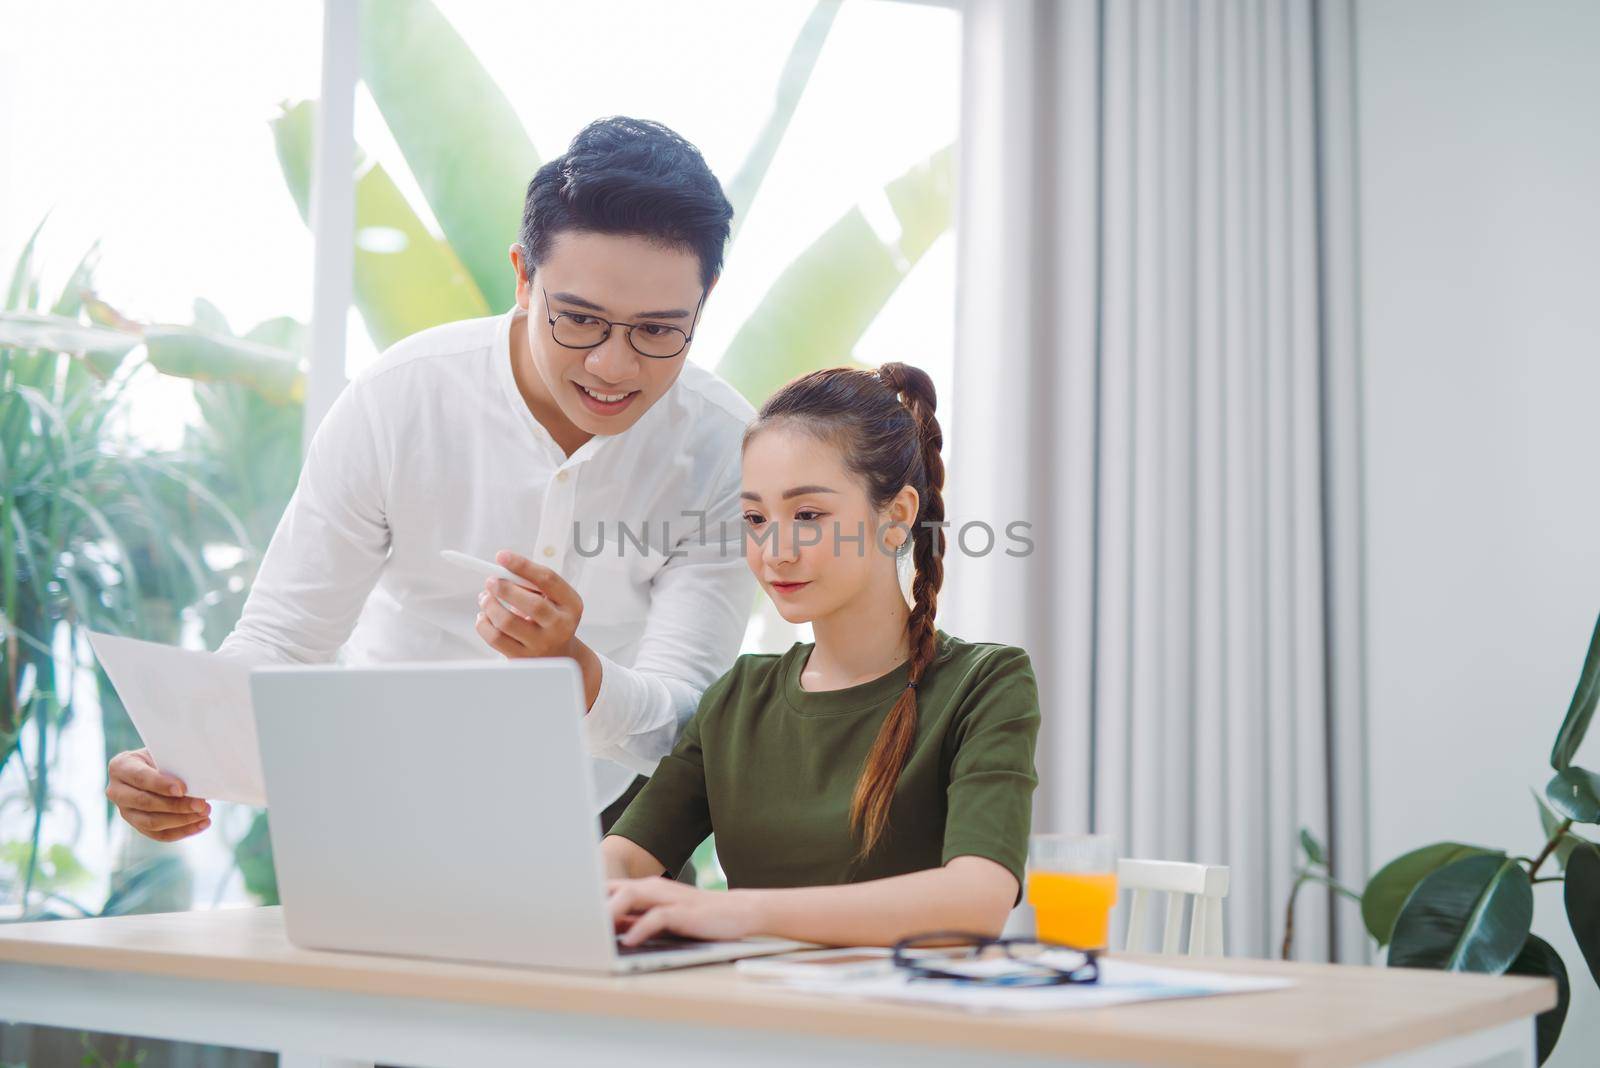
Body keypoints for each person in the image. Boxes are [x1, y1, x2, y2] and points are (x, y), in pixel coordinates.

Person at [104, 117, 755, 846]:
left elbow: (681, 720)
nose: (614, 365)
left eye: (659, 330)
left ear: (706, 299)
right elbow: (284, 640)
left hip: (612, 827)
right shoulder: (400, 398)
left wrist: (576, 670)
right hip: (385, 803)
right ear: (522, 276)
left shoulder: (726, 448)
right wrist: (181, 764)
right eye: (579, 320)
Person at [602, 363, 1041, 946]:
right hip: (749, 1019)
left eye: (808, 515)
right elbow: (620, 861)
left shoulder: (984, 684)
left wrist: (738, 914)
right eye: (756, 518)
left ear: (897, 517)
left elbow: (977, 901)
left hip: (906, 1024)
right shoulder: (740, 696)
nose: (774, 551)